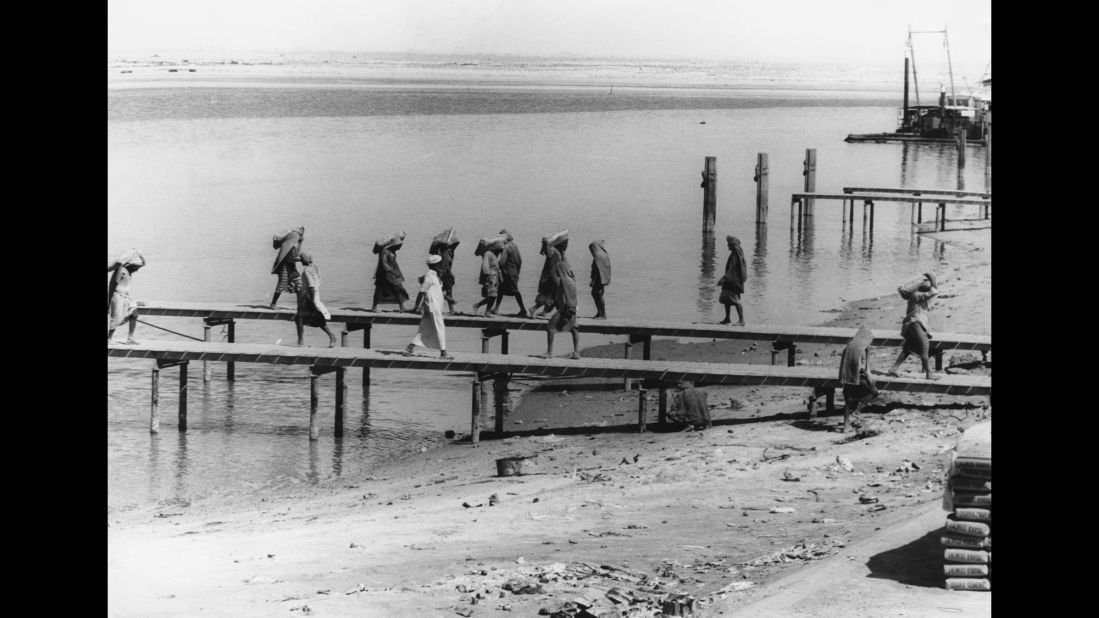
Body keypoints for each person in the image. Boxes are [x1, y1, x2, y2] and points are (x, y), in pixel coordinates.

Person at [888, 273, 940, 380]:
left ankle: (894, 368)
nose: (929, 286)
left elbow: (934, 290)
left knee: (909, 348)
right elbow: (934, 290)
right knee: (924, 346)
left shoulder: (919, 296)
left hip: (914, 324)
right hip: (915, 324)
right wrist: (931, 276)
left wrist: (931, 278)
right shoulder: (917, 295)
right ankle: (929, 374)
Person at [405, 255, 454, 359]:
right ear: (436, 265)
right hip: (432, 306)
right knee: (440, 327)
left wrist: (448, 298)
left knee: (425, 329)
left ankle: (410, 347)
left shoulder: (434, 276)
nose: (442, 265)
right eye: (440, 264)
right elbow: (421, 292)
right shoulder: (429, 276)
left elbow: (436, 291)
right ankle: (443, 353)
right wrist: (415, 307)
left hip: (433, 306)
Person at [838, 326, 880, 432]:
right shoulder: (861, 348)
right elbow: (861, 367)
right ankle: (857, 410)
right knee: (873, 392)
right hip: (857, 377)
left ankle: (846, 426)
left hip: (847, 377)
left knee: (847, 402)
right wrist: (867, 376)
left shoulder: (850, 346)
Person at [541, 248, 580, 359]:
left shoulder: (563, 282)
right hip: (573, 309)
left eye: (558, 272)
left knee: (550, 327)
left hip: (566, 310)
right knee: (574, 329)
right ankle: (576, 352)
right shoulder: (572, 280)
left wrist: (565, 314)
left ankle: (549, 352)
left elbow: (564, 297)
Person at [293, 252, 337, 347]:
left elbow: (311, 286)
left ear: (304, 260)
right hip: (316, 294)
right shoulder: (315, 267)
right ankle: (331, 336)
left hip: (309, 296)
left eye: (301, 260)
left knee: (300, 317)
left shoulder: (307, 270)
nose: (300, 262)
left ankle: (301, 342)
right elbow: (317, 283)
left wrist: (312, 301)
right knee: (315, 317)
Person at [108, 250, 146, 344]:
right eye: (136, 267)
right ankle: (109, 338)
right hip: (117, 296)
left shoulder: (130, 270)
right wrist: (119, 266)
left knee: (134, 314)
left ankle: (130, 337)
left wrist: (139, 254)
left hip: (126, 297)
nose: (137, 269)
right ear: (130, 265)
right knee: (116, 318)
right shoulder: (122, 271)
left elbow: (144, 264)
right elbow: (114, 283)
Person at [492, 229, 532, 318]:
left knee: (515, 291)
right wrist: (517, 271)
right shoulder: (515, 246)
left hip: (507, 272)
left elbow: (502, 262)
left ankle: (523, 310)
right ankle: (496, 308)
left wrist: (494, 265)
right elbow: (520, 261)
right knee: (501, 290)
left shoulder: (506, 247)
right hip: (514, 272)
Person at [530, 230, 568, 318]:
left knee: (552, 297)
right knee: (549, 296)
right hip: (551, 278)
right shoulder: (554, 251)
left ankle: (543, 311)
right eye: (565, 243)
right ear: (560, 243)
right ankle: (534, 309)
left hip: (555, 277)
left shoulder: (560, 253)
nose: (566, 246)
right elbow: (550, 261)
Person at [371, 232, 409, 312]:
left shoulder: (392, 251)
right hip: (384, 274)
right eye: (398, 246)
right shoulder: (386, 252)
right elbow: (385, 264)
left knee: (398, 288)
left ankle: (401, 306)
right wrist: (392, 273)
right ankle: (374, 307)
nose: (399, 247)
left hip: (391, 273)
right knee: (380, 289)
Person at [270, 226, 305, 309]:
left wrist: (300, 243)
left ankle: (300, 306)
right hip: (285, 267)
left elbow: (295, 254)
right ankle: (273, 304)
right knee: (282, 284)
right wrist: (302, 260)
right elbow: (290, 259)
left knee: (299, 283)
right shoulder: (286, 246)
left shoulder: (290, 246)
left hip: (290, 267)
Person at [428, 228, 460, 315]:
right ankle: (449, 303)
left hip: (446, 274)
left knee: (448, 290)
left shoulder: (447, 252)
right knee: (436, 290)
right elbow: (445, 266)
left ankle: (451, 309)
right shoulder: (446, 253)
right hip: (444, 274)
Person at [717, 235, 746, 325]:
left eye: (729, 245)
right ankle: (727, 318)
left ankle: (742, 320)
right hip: (732, 280)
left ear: (733, 246)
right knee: (727, 299)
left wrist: (723, 278)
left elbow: (731, 269)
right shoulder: (736, 253)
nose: (727, 246)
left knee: (735, 300)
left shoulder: (735, 255)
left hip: (733, 281)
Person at [471, 237, 504, 316]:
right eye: (500, 249)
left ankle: (480, 307)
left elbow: (497, 268)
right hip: (490, 278)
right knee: (492, 295)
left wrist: (500, 278)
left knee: (493, 296)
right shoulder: (488, 254)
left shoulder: (495, 256)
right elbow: (485, 265)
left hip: (495, 278)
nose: (501, 251)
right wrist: (486, 275)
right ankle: (485, 310)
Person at [588, 240, 611, 319]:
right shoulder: (604, 255)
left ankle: (602, 314)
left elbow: (597, 270)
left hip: (598, 280)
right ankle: (600, 312)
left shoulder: (598, 256)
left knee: (597, 294)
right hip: (602, 279)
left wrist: (593, 281)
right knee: (598, 294)